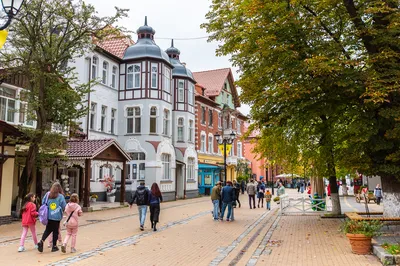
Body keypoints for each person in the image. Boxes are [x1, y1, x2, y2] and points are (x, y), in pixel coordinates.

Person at [37, 182, 66, 253]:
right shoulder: (60, 196)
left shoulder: (48, 194)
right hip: (57, 217)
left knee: (48, 230)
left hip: (49, 216)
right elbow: (64, 206)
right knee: (55, 231)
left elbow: (43, 202)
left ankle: (41, 241)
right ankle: (54, 246)